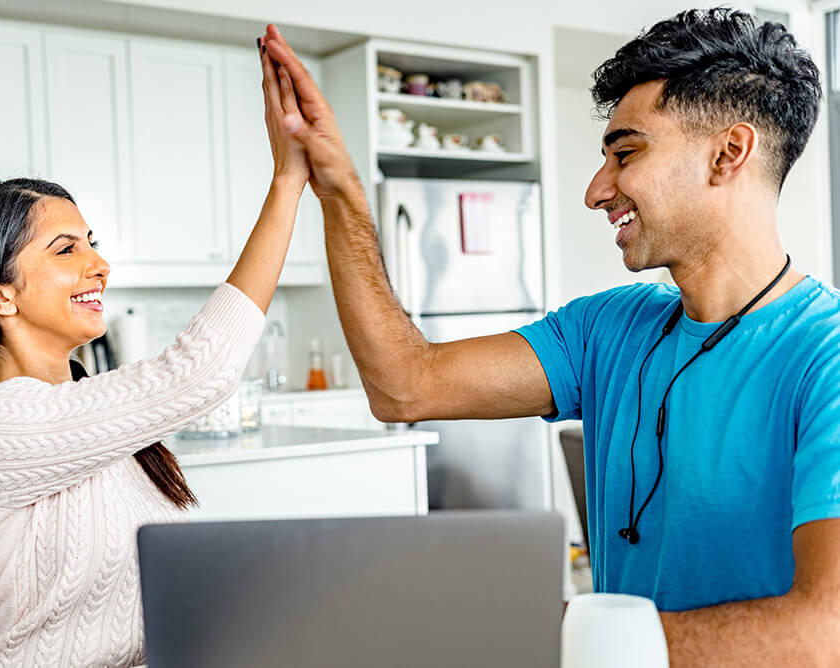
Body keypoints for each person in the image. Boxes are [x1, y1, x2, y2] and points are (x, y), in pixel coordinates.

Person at [262, 9, 840, 666]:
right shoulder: (609, 330)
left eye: (626, 153)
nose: (597, 191)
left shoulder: (827, 358)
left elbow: (825, 633)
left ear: (728, 153)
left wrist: (566, 635)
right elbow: (404, 385)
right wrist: (339, 191)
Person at [0, 38, 306, 667]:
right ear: (1, 295)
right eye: (66, 250)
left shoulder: (102, 418)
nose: (99, 265)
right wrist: (288, 180)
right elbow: (200, 372)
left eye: (92, 244)